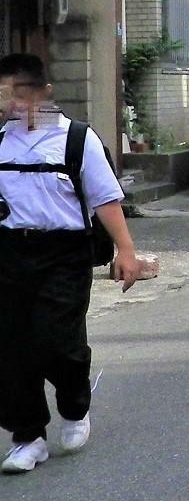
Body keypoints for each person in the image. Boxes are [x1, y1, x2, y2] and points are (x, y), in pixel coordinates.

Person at [0, 53, 142, 474]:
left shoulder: (77, 140)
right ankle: (27, 436)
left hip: (64, 255)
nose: (9, 103)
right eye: (4, 95)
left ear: (44, 93)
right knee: (10, 348)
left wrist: (126, 251)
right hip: (8, 253)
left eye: (17, 93)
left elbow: (106, 200)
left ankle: (75, 406)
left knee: (57, 342)